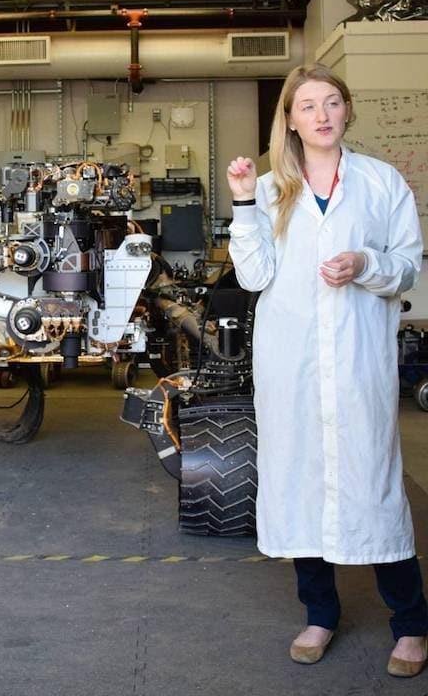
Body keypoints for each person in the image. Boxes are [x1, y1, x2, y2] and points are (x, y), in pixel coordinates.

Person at [226, 62, 427, 677]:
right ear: (289, 118)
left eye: (332, 102)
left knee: (374, 483)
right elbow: (253, 276)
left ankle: (412, 625)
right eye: (307, 105)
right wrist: (240, 204)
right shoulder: (266, 187)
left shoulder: (381, 181)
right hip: (290, 362)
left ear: (346, 111)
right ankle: (319, 614)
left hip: (358, 360)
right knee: (300, 482)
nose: (321, 114)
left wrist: (364, 262)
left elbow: (407, 267)